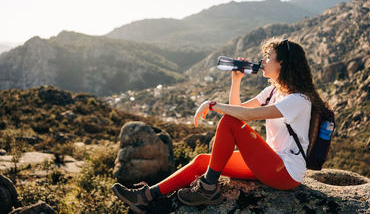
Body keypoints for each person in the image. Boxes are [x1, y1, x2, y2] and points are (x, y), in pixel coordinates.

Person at [112, 38, 329, 213]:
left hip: (286, 172)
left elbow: (245, 115)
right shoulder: (274, 91)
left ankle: (208, 188)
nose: (263, 60)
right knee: (201, 162)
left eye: (268, 56)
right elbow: (239, 111)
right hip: (270, 162)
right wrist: (236, 81)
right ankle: (146, 196)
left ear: (282, 63)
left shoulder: (299, 100)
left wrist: (213, 105)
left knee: (228, 120)